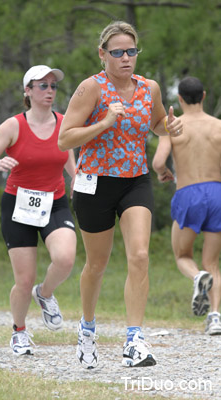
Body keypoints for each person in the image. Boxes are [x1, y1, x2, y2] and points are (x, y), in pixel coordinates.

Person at [58, 20, 183, 369]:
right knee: (97, 264)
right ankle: (86, 330)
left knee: (140, 255)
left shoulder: (149, 87)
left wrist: (167, 128)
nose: (126, 58)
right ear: (103, 55)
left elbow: (156, 123)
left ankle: (134, 339)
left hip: (135, 180)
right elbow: (64, 139)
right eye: (118, 52)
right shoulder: (90, 89)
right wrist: (102, 124)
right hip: (96, 183)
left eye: (131, 51)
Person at [0, 65, 77, 355]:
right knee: (23, 279)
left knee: (65, 258)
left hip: (54, 201)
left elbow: (68, 156)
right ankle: (19, 331)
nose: (49, 91)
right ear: (28, 91)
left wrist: (76, 179)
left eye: (53, 86)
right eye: (42, 85)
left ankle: (45, 295)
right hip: (18, 205)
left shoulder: (63, 123)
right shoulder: (13, 126)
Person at [152, 76, 221, 335]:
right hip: (217, 192)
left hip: (188, 193)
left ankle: (196, 278)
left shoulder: (173, 125)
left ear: (179, 99)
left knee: (183, 255)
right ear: (203, 96)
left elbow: (159, 162)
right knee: (212, 262)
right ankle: (215, 317)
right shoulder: (218, 126)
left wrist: (163, 173)